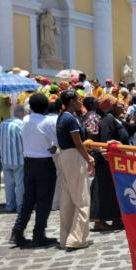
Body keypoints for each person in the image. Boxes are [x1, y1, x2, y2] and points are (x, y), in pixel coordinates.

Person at [9, 94, 58, 247]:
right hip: (44, 162)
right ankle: (39, 233)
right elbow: (56, 142)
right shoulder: (48, 121)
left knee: (28, 199)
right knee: (44, 200)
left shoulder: (25, 120)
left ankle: (18, 230)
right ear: (45, 107)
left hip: (29, 162)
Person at [56, 89, 95, 251]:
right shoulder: (71, 119)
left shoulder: (62, 117)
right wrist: (89, 158)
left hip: (64, 155)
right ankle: (77, 238)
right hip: (74, 156)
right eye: (78, 99)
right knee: (82, 199)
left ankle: (66, 237)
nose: (81, 101)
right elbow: (78, 143)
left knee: (68, 200)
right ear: (71, 101)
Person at [90, 95, 129, 231]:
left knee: (113, 191)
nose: (122, 106)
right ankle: (100, 220)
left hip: (115, 161)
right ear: (111, 107)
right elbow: (106, 140)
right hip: (108, 161)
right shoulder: (108, 120)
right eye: (118, 104)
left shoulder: (114, 119)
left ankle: (116, 218)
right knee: (105, 190)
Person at [0, 105, 25, 213]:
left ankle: (10, 206)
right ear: (21, 113)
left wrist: (0, 148)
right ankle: (20, 207)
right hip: (19, 159)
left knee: (9, 184)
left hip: (5, 159)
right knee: (20, 183)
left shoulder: (3, 124)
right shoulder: (21, 124)